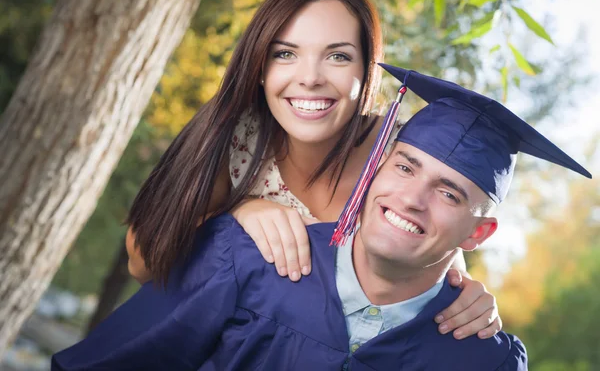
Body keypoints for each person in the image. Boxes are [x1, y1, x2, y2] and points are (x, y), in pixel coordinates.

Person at [53, 65, 591, 370]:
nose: (411, 198)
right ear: (374, 173)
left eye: (449, 194)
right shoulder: (246, 257)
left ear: (480, 233)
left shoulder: (484, 364)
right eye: (404, 167)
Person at [125, 0, 500, 339]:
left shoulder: (403, 155)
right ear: (259, 67)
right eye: (285, 53)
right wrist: (240, 212)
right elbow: (144, 262)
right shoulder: (237, 137)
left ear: (367, 70)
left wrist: (474, 298)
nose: (309, 78)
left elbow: (444, 259)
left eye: (337, 56)